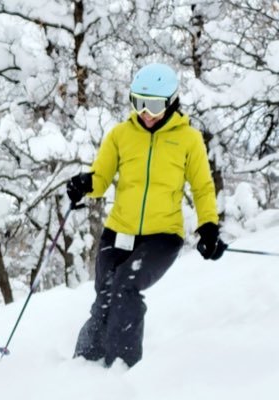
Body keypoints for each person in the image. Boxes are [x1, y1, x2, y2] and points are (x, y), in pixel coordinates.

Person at [66, 63, 227, 368]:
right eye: (138, 102)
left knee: (125, 287)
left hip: (162, 236)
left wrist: (209, 227)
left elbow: (203, 187)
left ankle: (120, 370)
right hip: (119, 230)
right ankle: (83, 368)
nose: (145, 112)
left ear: (171, 102)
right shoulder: (120, 135)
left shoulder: (188, 139)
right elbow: (100, 178)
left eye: (153, 105)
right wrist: (84, 184)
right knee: (105, 295)